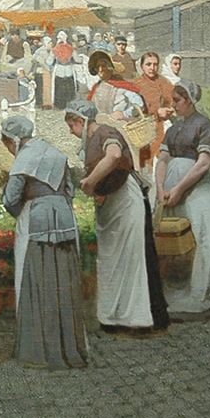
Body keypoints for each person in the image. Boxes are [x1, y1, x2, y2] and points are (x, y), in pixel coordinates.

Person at [64, 100, 168, 337]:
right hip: (111, 205)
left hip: (125, 202)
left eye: (72, 125)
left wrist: (90, 182)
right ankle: (112, 317)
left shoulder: (105, 133)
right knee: (111, 263)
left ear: (81, 121)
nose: (70, 131)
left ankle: (137, 320)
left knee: (131, 261)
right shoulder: (91, 140)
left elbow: (113, 156)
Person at [0, 115, 88, 370]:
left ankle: (37, 349)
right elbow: (70, 190)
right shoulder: (55, 153)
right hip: (63, 217)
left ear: (13, 140)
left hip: (36, 218)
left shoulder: (24, 159)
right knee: (62, 279)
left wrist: (24, 212)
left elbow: (10, 198)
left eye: (7, 143)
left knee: (36, 277)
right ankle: (68, 345)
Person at [153, 82, 210, 322]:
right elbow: (163, 159)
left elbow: (204, 163)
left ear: (190, 100)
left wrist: (179, 188)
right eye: (172, 100)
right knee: (169, 240)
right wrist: (160, 187)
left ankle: (208, 296)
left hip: (196, 187)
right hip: (171, 188)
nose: (172, 105)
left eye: (177, 100)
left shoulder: (204, 125)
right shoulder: (173, 128)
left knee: (204, 236)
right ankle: (174, 294)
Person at [132, 51, 176, 165]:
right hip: (143, 129)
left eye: (155, 64)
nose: (152, 67)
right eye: (148, 64)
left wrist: (170, 109)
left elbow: (173, 100)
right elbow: (133, 111)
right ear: (142, 66)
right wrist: (156, 113)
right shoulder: (136, 84)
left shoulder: (163, 81)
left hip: (161, 126)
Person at [49, 31, 78, 110]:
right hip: (65, 71)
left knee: (64, 88)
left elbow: (49, 62)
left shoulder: (55, 49)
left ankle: (62, 106)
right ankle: (66, 106)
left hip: (62, 70)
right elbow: (77, 60)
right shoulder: (70, 48)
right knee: (65, 88)